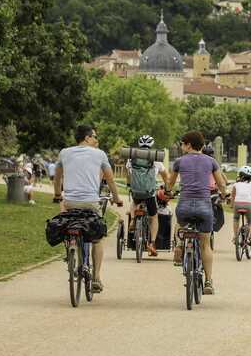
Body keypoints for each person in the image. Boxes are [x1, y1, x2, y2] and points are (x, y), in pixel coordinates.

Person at [53, 125, 123, 293]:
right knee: (97, 238)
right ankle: (97, 277)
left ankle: (72, 248)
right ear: (87, 137)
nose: (95, 139)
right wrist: (116, 198)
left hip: (70, 202)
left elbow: (57, 177)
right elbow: (111, 180)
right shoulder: (99, 154)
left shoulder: (64, 152)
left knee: (70, 222)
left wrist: (57, 194)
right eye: (94, 136)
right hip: (91, 203)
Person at [166, 131, 227, 295]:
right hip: (204, 206)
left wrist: (168, 191)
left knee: (180, 222)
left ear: (189, 145)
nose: (181, 146)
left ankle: (179, 244)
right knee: (205, 244)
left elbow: (170, 182)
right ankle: (208, 281)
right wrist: (223, 195)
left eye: (182, 143)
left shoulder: (179, 161)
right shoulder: (211, 161)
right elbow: (221, 183)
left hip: (184, 205)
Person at [126, 134, 169, 257]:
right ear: (151, 145)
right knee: (154, 216)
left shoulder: (132, 158)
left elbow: (128, 174)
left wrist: (130, 184)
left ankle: (133, 220)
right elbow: (166, 176)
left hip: (136, 191)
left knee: (134, 202)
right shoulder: (155, 158)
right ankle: (152, 243)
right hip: (149, 193)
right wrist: (167, 189)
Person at [229, 165, 251, 247]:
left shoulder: (236, 184)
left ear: (240, 175)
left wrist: (231, 205)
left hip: (237, 204)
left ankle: (235, 237)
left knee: (236, 219)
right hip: (248, 205)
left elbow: (233, 196)